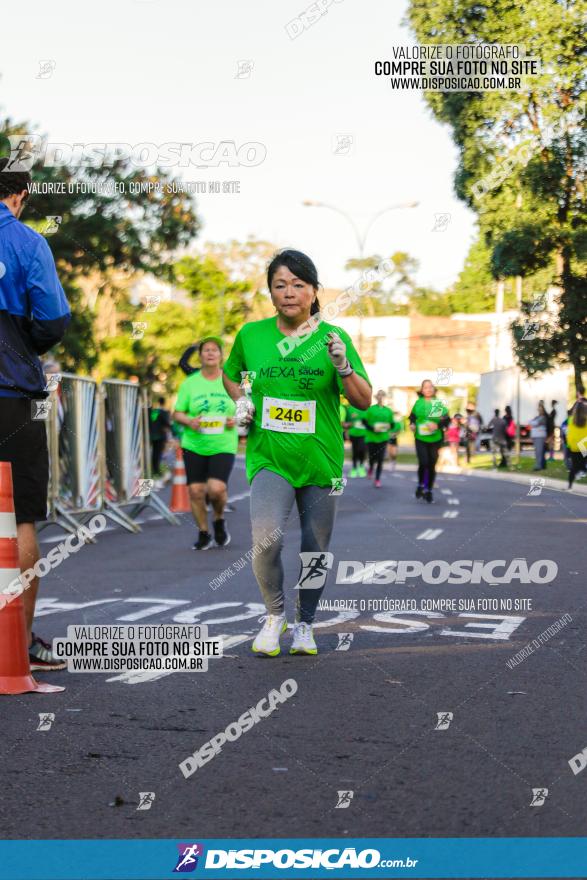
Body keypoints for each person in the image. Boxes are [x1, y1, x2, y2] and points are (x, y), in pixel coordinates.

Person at [222, 249, 371, 656]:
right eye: (280, 285)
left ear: (314, 291)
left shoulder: (332, 338)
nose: (289, 293)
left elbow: (363, 400)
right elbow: (231, 375)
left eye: (298, 285)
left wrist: (342, 367)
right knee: (265, 540)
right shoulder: (251, 336)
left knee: (314, 547)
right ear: (270, 292)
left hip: (321, 459)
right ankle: (274, 616)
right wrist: (241, 401)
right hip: (270, 456)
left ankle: (305, 624)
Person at [0, 157, 71, 670]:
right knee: (22, 514)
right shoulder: (27, 242)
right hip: (9, 391)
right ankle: (18, 643)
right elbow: (53, 320)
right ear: (21, 195)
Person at [174, 337, 238, 549]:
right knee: (196, 491)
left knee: (216, 489)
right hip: (194, 444)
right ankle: (203, 532)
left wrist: (236, 419)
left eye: (214, 350)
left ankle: (218, 520)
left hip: (223, 443)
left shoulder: (231, 379)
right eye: (206, 350)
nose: (210, 353)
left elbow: (245, 407)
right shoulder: (190, 382)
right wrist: (189, 421)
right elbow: (177, 413)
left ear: (221, 356)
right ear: (200, 356)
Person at [409, 379, 449, 503]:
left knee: (431, 465)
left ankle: (428, 489)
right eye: (426, 387)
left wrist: (437, 425)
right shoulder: (418, 403)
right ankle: (421, 484)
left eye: (431, 387)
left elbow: (446, 419)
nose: (428, 389)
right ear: (422, 390)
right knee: (423, 462)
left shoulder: (437, 404)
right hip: (420, 438)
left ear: (434, 389)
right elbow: (412, 417)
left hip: (435, 438)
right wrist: (412, 424)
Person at [364, 390, 395, 487]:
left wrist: (390, 426)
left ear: (385, 397)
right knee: (372, 458)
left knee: (381, 459)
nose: (381, 397)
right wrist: (373, 429)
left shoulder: (388, 411)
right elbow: (364, 422)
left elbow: (392, 424)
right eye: (379, 396)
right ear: (376, 397)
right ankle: (371, 468)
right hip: (372, 438)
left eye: (383, 396)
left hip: (383, 438)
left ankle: (377, 479)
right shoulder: (370, 409)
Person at [343, 402, 367, 477]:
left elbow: (368, 422)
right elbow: (346, 422)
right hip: (353, 433)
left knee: (362, 450)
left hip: (363, 434)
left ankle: (361, 466)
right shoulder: (350, 409)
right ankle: (354, 468)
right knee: (355, 451)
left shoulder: (365, 409)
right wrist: (347, 432)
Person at [566, 400, 587, 488]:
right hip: (584, 447)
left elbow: (569, 434)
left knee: (574, 467)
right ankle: (583, 471)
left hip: (574, 446)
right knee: (583, 464)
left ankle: (570, 486)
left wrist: (569, 445)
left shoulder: (570, 420)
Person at [149, 396, 171, 478]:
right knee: (157, 453)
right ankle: (156, 470)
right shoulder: (163, 412)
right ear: (164, 403)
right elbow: (167, 423)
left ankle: (153, 469)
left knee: (153, 452)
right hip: (160, 435)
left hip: (151, 435)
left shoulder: (154, 411)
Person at [529, 403, 548, 471]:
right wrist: (533, 422)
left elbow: (535, 423)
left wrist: (533, 423)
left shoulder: (543, 417)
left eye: (540, 409)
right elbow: (530, 422)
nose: (539, 410)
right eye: (538, 409)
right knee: (537, 451)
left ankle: (539, 465)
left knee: (539, 451)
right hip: (535, 436)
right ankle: (539, 464)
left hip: (540, 436)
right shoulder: (537, 417)